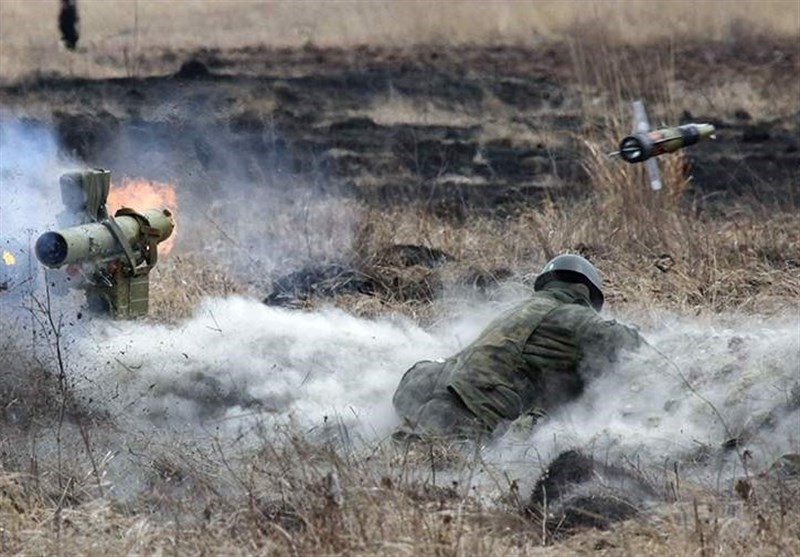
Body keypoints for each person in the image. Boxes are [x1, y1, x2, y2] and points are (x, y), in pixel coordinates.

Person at [392, 253, 643, 442]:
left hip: (423, 398)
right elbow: (628, 345)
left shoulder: (517, 310)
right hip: (471, 414)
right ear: (584, 292)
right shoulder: (570, 314)